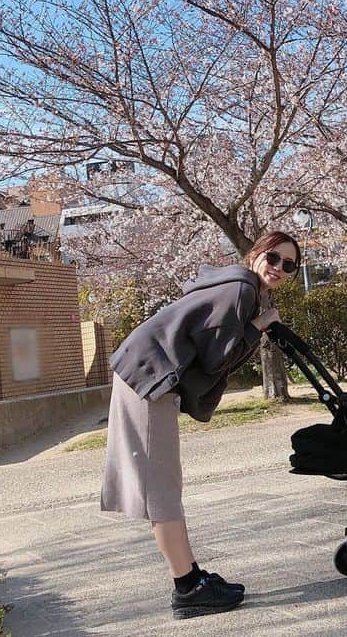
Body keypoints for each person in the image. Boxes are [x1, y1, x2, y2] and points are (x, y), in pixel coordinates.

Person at [100, 230, 300, 620]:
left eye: (289, 265)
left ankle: (190, 576)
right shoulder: (242, 289)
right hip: (150, 377)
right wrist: (258, 327)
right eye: (273, 258)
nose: (278, 268)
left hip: (144, 370)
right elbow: (215, 359)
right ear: (256, 253)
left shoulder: (237, 284)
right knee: (161, 484)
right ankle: (187, 587)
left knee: (162, 480)